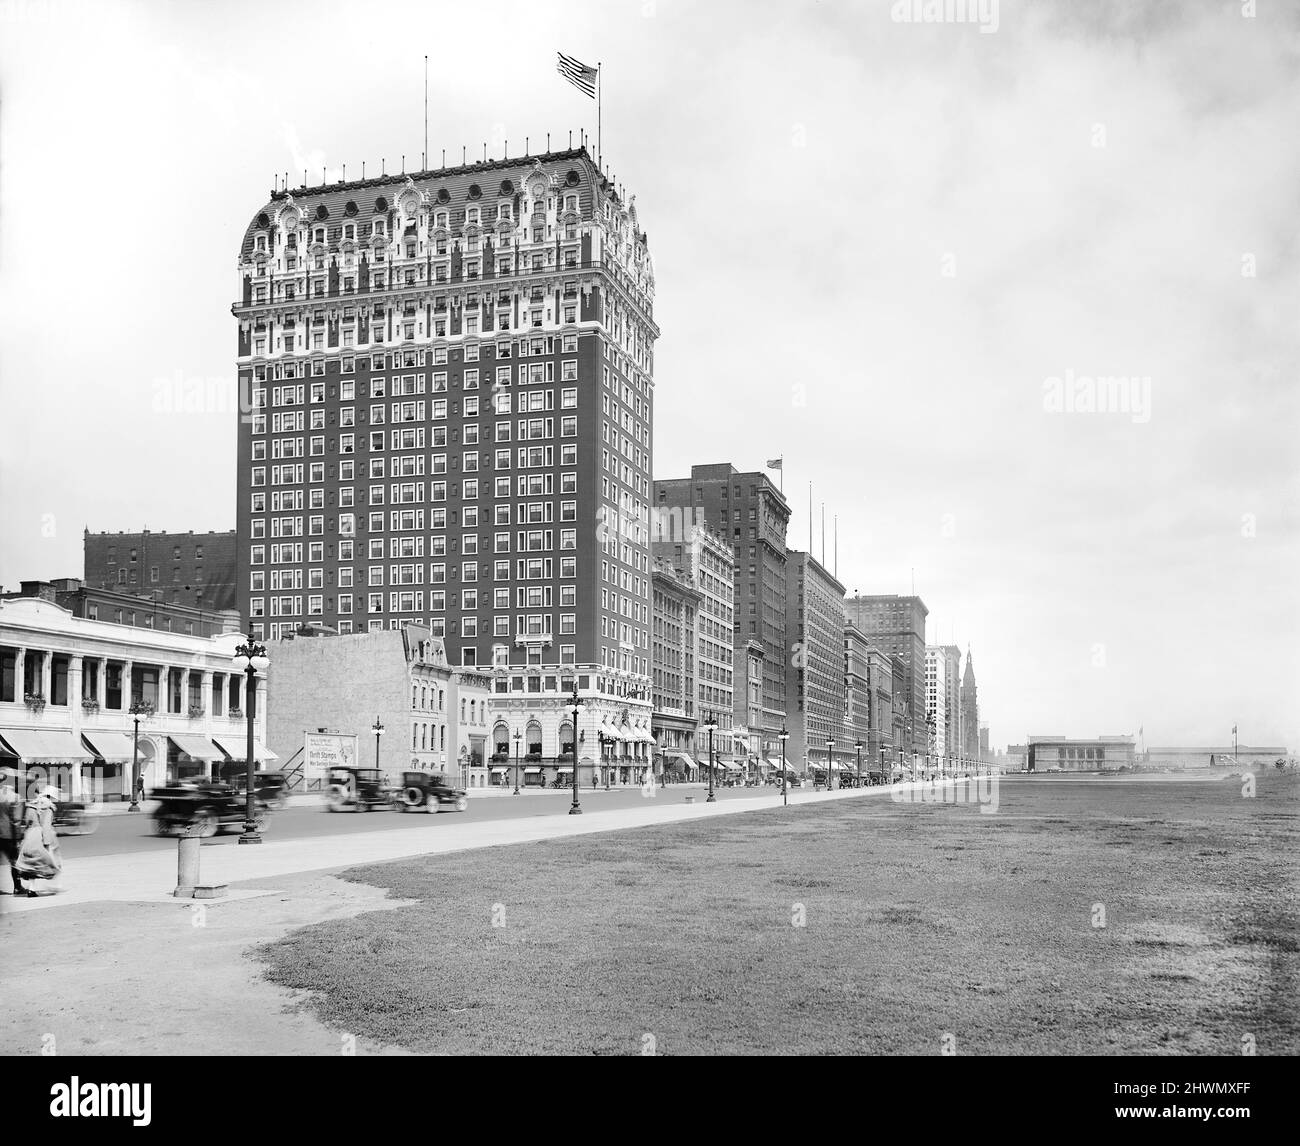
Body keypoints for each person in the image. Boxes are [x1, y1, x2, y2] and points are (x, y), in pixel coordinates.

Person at [15, 786, 62, 895]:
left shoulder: (31, 805)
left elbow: (27, 822)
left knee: (32, 864)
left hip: (30, 835)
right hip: (41, 837)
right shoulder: (49, 807)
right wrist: (46, 843)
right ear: (51, 796)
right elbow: (46, 826)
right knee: (50, 862)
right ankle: (54, 885)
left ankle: (32, 889)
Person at [0, 771, 28, 897]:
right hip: (8, 835)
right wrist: (18, 838)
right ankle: (17, 887)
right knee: (14, 861)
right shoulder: (15, 797)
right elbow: (16, 820)